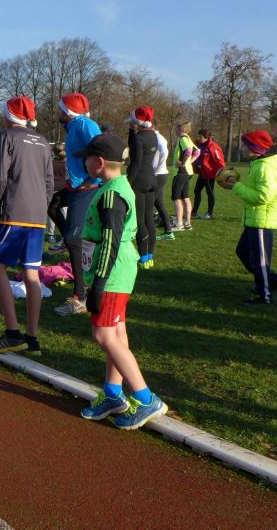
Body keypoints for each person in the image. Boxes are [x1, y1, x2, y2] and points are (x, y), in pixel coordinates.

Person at [74, 133, 168, 429]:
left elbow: (109, 242)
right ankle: (113, 394)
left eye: (87, 159)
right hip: (118, 271)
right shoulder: (115, 186)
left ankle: (146, 398)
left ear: (99, 162)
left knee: (103, 335)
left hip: (113, 273)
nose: (84, 163)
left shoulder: (112, 195)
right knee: (116, 333)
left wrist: (98, 285)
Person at [0, 96, 53, 355]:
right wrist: (42, 207)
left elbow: (1, 177)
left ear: (8, 115)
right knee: (31, 274)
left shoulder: (6, 137)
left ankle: (12, 333)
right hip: (38, 215)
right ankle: (32, 338)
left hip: (15, 212)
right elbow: (49, 182)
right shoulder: (43, 141)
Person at [218, 130, 277, 305]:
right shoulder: (258, 165)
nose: (241, 147)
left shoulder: (264, 168)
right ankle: (275, 281)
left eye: (244, 145)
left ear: (254, 148)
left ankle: (265, 296)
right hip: (255, 219)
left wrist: (236, 186)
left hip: (262, 221)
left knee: (260, 261)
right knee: (242, 252)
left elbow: (263, 197)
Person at [54, 92, 101, 316]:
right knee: (53, 203)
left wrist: (93, 180)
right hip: (76, 187)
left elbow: (101, 148)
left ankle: (80, 296)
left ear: (68, 111)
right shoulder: (73, 126)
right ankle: (71, 238)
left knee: (74, 239)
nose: (58, 111)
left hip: (87, 188)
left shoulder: (85, 124)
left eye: (61, 108)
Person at [125, 106, 158, 269]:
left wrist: (128, 182)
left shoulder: (139, 138)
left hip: (139, 180)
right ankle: (150, 256)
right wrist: (132, 132)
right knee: (148, 218)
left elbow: (136, 162)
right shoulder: (153, 135)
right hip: (151, 179)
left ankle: (143, 258)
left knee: (139, 221)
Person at [171, 122, 200, 231]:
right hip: (187, 172)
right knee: (185, 198)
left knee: (176, 198)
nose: (175, 130)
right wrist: (189, 162)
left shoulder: (183, 139)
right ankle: (187, 223)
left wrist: (183, 163)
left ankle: (179, 224)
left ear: (181, 129)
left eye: (177, 128)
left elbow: (188, 151)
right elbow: (198, 152)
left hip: (181, 172)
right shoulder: (188, 138)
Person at [192, 129, 225, 219]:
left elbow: (220, 161)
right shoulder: (199, 144)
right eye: (198, 136)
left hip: (210, 174)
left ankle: (210, 213)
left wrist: (220, 173)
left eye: (200, 137)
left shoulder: (213, 146)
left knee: (209, 192)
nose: (198, 138)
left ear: (206, 137)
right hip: (202, 173)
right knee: (196, 191)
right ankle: (194, 212)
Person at [152, 124, 175, 241]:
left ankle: (146, 233)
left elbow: (164, 152)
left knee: (147, 204)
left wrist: (157, 169)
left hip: (158, 176)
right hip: (159, 175)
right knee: (159, 205)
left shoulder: (158, 138)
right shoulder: (154, 137)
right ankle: (169, 232)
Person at [47, 142, 68, 252]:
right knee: (64, 214)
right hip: (63, 190)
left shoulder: (50, 163)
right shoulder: (67, 164)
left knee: (52, 215)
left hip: (53, 190)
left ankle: (51, 234)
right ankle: (64, 237)